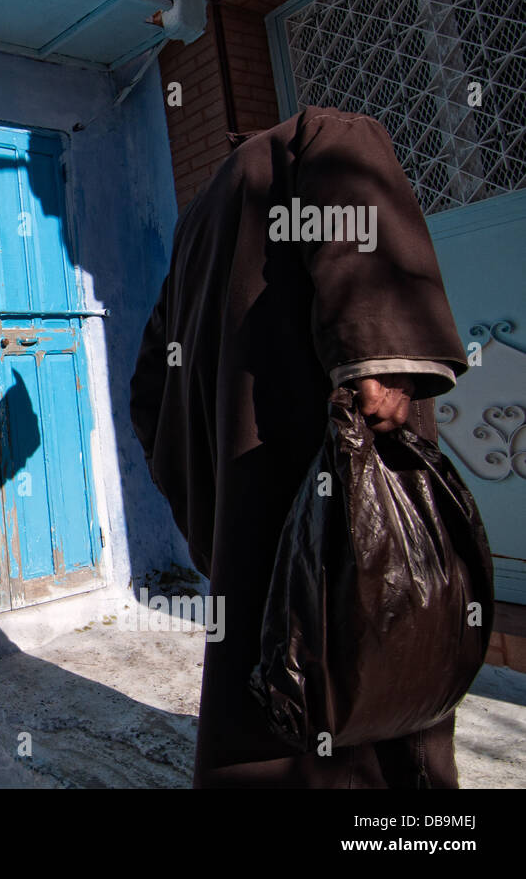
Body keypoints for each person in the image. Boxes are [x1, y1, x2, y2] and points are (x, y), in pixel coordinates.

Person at [129, 107, 468, 788]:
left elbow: (146, 394)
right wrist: (380, 356)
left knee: (261, 700)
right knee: (378, 694)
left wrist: (209, 494)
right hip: (332, 499)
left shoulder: (197, 223)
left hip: (252, 513)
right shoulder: (313, 139)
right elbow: (351, 177)